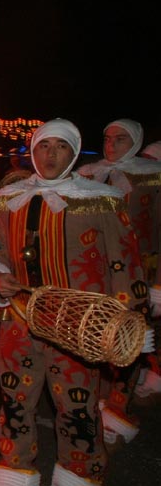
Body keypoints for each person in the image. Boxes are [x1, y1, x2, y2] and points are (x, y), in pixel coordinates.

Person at [0, 119, 150, 485]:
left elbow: (125, 263)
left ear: (73, 153)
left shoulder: (100, 200)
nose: (50, 154)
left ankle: (78, 472)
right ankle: (14, 471)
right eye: (43, 145)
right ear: (33, 150)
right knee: (15, 402)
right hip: (19, 318)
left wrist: (132, 319)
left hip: (77, 325)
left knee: (76, 408)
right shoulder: (10, 198)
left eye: (60, 146)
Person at [77, 119, 161, 434]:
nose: (111, 145)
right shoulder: (88, 175)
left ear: (136, 141)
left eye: (120, 139)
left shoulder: (152, 177)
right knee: (98, 335)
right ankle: (94, 402)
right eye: (108, 138)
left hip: (137, 271)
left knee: (130, 339)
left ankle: (117, 410)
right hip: (97, 272)